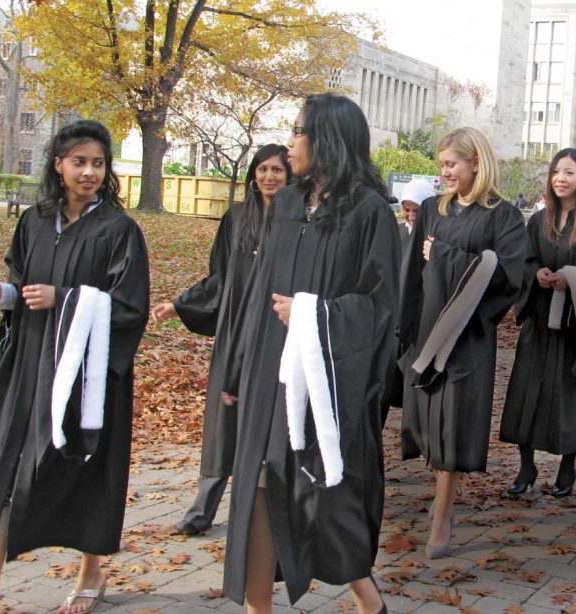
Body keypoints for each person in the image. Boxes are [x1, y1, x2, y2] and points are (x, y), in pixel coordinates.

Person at [0, 120, 150, 614]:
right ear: (58, 165)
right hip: (26, 367)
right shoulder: (35, 221)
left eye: (98, 163)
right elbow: (23, 282)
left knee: (85, 471)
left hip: (86, 376)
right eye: (79, 162)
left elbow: (129, 307)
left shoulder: (119, 231)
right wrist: (5, 293)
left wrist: (62, 298)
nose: (89, 172)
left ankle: (90, 574)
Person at [220, 94, 398, 614]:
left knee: (327, 495)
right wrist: (237, 367)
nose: (291, 140)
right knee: (257, 489)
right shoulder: (289, 203)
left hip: (329, 379)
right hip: (269, 371)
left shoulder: (369, 212)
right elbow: (257, 293)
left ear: (328, 139)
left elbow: (382, 307)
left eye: (299, 131)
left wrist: (314, 315)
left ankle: (368, 600)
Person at [400, 127, 527, 558]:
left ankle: (442, 512)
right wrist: (404, 328)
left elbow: (508, 277)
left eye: (451, 164)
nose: (445, 173)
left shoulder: (503, 217)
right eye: (440, 166)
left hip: (467, 337)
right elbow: (412, 275)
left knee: (453, 425)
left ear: (476, 162)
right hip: (428, 330)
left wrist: (445, 256)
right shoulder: (434, 211)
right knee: (426, 421)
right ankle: (441, 496)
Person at [151, 145, 289, 536]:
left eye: (277, 170)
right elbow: (219, 277)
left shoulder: (296, 222)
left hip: (277, 331)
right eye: (262, 169)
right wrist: (179, 305)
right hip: (236, 330)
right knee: (223, 420)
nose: (269, 177)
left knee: (267, 419)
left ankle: (262, 511)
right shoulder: (236, 218)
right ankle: (203, 508)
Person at [500, 149, 576, 498]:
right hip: (539, 323)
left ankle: (568, 466)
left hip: (574, 329)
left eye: (568, 173)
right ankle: (527, 465)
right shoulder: (538, 222)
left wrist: (575, 278)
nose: (560, 179)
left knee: (571, 397)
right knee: (528, 393)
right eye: (556, 172)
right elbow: (523, 261)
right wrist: (534, 273)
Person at [381, 179, 436, 421]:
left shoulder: (433, 237)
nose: (411, 216)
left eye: (417, 210)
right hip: (393, 318)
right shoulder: (396, 233)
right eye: (407, 209)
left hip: (420, 320)